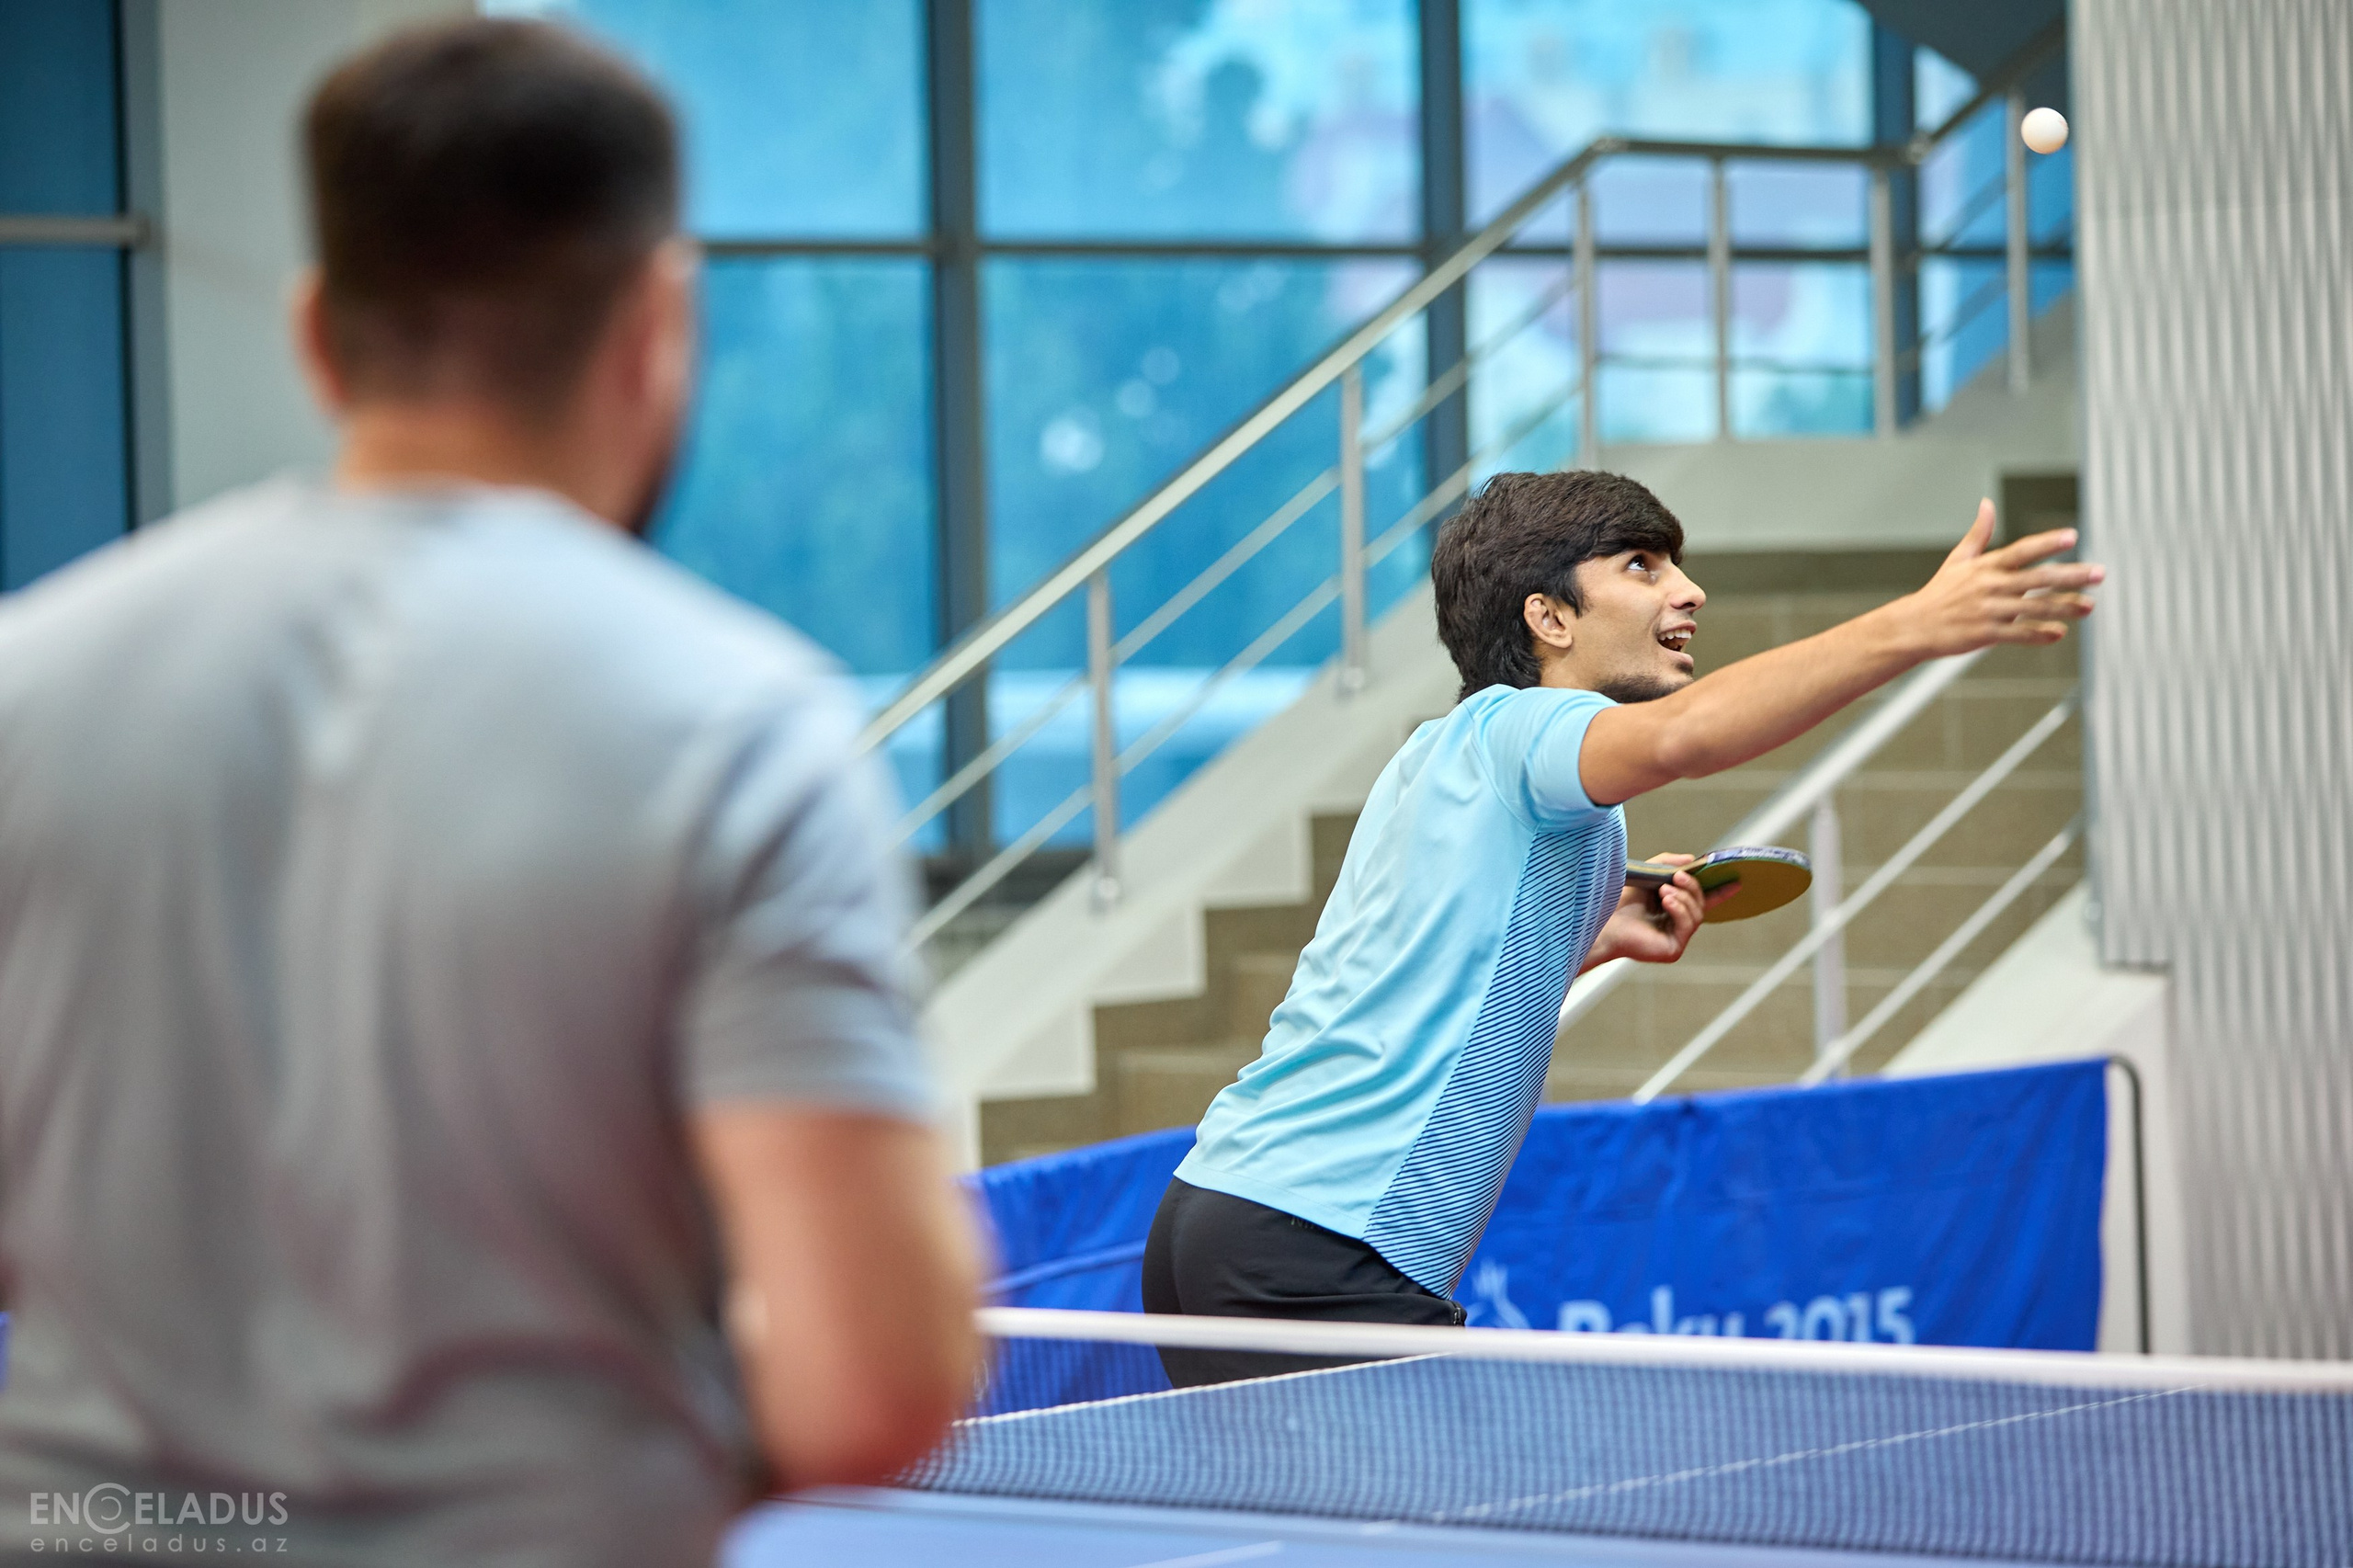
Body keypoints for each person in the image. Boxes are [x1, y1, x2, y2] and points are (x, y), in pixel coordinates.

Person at [0, 20, 981, 1565]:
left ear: (315, 336)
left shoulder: (25, 683)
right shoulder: (736, 725)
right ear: (658, 325)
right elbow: (876, 1379)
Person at [1142, 469, 2099, 1385]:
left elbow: (1425, 974)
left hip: (1216, 1213)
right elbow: (1688, 735)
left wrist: (1590, 935)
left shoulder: (1436, 754)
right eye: (1641, 565)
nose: (1688, 590)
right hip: (1319, 1241)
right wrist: (1914, 625)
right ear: (1547, 616)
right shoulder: (1521, 731)